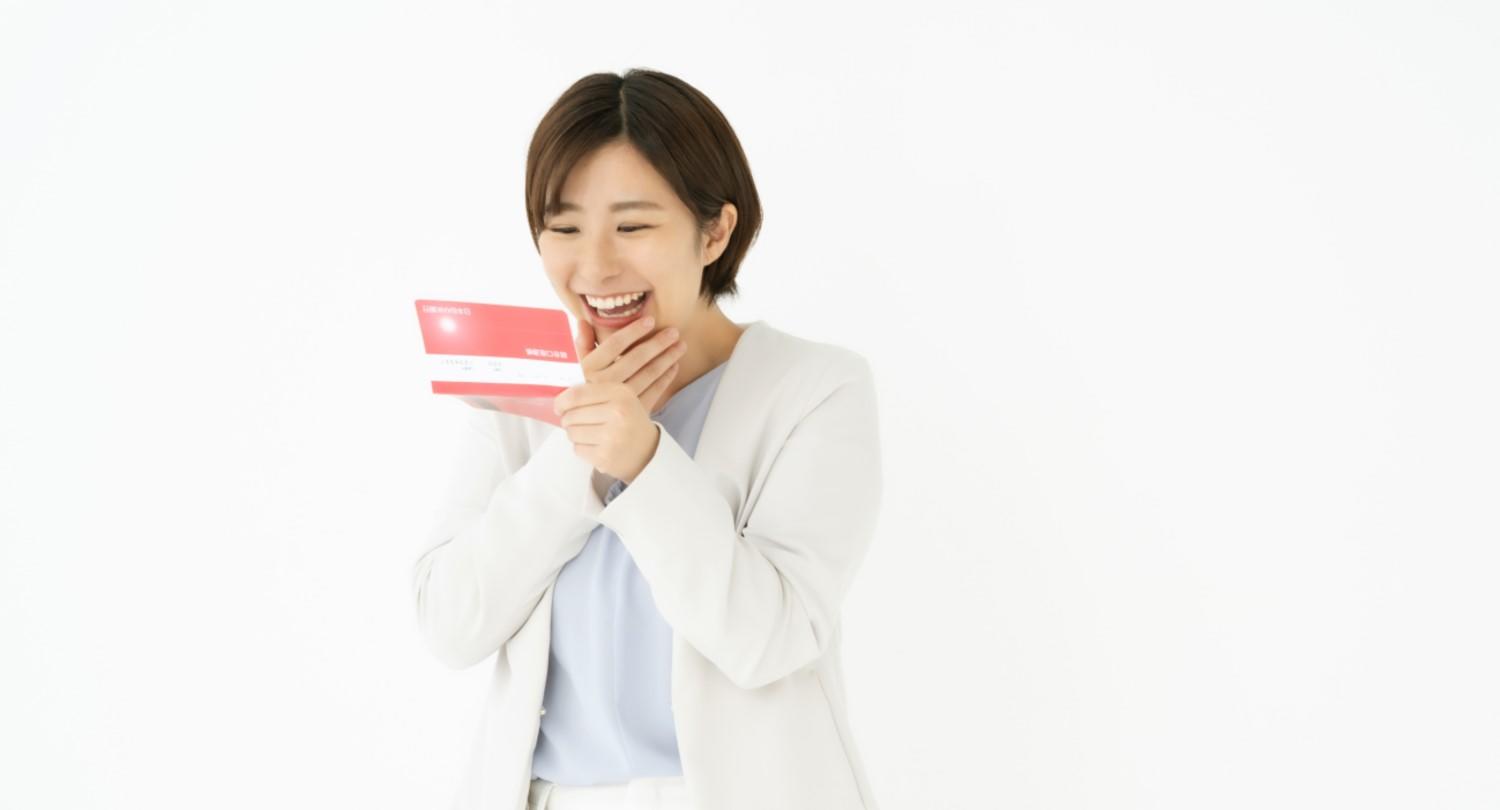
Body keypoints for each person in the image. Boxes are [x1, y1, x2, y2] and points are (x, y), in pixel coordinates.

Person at [412, 68, 884, 810]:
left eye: (632, 226)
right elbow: (451, 625)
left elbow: (769, 639)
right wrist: (576, 449)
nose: (596, 266)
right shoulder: (519, 400)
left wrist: (644, 459)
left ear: (714, 231)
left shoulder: (814, 387)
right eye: (564, 227)